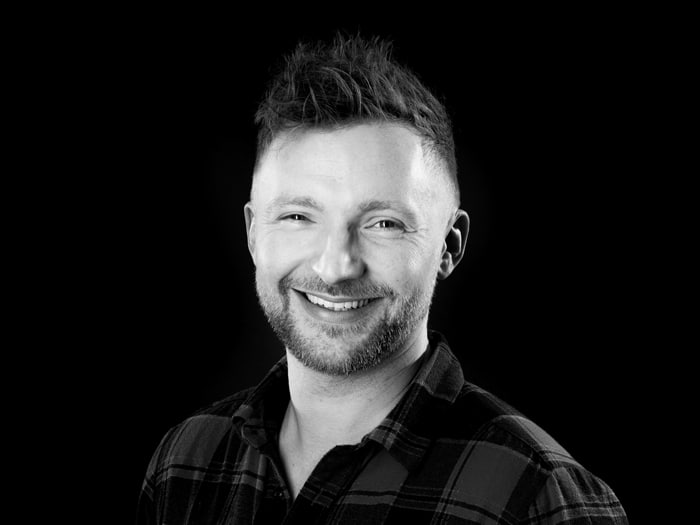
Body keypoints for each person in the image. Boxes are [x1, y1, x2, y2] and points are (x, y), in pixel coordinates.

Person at [137, 34, 627, 524]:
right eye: (297, 217)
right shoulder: (186, 460)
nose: (335, 267)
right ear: (252, 233)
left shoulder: (540, 498)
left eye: (384, 224)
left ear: (449, 246)